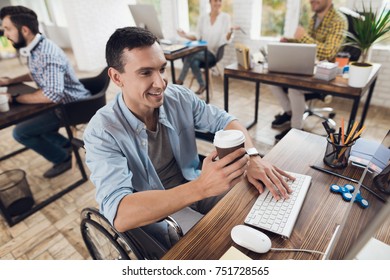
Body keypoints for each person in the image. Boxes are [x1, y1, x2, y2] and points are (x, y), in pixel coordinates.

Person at [83, 26, 294, 249]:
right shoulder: (102, 132)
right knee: (223, 245)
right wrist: (201, 187)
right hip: (159, 214)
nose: (160, 82)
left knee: (259, 205)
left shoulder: (178, 97)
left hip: (194, 182)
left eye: (162, 69)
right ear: (117, 77)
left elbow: (226, 120)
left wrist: (253, 157)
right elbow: (119, 214)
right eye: (146, 73)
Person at [0, 6, 91, 178]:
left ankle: (62, 158)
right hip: (64, 102)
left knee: (20, 132)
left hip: (72, 106)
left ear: (24, 30)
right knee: (30, 123)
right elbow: (38, 72)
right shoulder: (37, 46)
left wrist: (13, 98)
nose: (5, 34)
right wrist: (10, 81)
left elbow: (52, 95)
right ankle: (66, 145)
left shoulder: (46, 54)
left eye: (8, 29)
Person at [269, 0, 347, 141]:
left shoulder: (339, 21)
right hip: (309, 70)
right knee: (272, 80)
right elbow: (308, 47)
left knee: (294, 88)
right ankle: (290, 112)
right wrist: (291, 41)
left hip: (325, 77)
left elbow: (328, 52)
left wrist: (303, 36)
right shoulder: (314, 19)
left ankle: (295, 129)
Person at [176, 0, 239, 94]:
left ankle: (179, 81)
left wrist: (230, 32)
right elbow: (197, 35)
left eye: (220, 1)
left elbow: (226, 38)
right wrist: (185, 36)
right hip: (201, 51)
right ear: (210, 2)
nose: (218, 3)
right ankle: (202, 85)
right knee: (193, 61)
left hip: (213, 54)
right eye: (215, 1)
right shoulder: (203, 18)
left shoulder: (225, 17)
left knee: (189, 56)